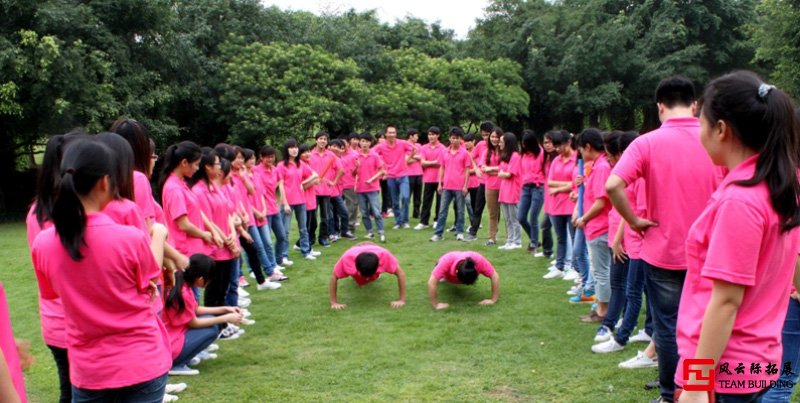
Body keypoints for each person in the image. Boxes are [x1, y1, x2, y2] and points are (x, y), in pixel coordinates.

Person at [674, 72, 800, 402]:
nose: (699, 134)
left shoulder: (741, 200)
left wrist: (698, 384)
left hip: (726, 369)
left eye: (701, 124)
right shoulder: (779, 187)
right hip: (760, 359)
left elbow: (726, 301)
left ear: (721, 129)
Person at [605, 76, 724, 402]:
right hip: (711, 251)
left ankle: (671, 393)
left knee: (668, 329)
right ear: (696, 105)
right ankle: (699, 390)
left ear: (659, 107)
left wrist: (633, 220)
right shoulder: (715, 140)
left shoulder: (646, 143)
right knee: (704, 327)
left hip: (664, 251)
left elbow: (613, 185)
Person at [32, 139, 172, 402]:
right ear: (105, 182)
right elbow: (149, 276)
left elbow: (52, 293)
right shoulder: (129, 238)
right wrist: (160, 234)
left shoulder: (44, 244)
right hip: (141, 360)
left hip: (89, 369)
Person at [163, 254, 243, 376]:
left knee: (211, 321)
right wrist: (226, 318)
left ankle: (186, 357)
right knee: (212, 329)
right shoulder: (183, 291)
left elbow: (195, 309)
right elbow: (194, 322)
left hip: (172, 337)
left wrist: (225, 309)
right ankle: (177, 363)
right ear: (200, 279)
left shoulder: (182, 283)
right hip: (172, 343)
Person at [574, 128, 612, 331]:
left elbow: (600, 202)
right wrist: (585, 182)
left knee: (601, 272)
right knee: (600, 271)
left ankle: (603, 311)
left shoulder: (602, 167)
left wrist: (584, 218)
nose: (580, 153)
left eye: (581, 149)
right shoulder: (598, 167)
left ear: (588, 147)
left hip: (599, 227)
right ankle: (602, 307)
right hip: (597, 227)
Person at [329, 243, 407, 310]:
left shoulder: (385, 256)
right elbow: (333, 276)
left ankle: (372, 276)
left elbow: (401, 274)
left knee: (371, 278)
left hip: (374, 248)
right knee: (358, 278)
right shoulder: (347, 258)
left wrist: (401, 300)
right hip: (355, 249)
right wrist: (334, 303)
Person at [276, 139, 317, 260]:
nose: (294, 150)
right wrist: (286, 203)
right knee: (285, 231)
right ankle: (283, 255)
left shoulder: (301, 164)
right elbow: (281, 185)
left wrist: (303, 182)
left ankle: (306, 251)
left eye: (296, 147)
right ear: (286, 150)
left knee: (303, 228)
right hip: (287, 202)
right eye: (291, 147)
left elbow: (314, 175)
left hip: (301, 201)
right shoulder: (281, 165)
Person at [430, 127, 471, 242]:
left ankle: (459, 232)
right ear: (449, 138)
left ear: (460, 139)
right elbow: (441, 168)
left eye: (457, 138)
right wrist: (439, 183)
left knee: (460, 210)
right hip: (446, 186)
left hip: (459, 186)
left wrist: (465, 186)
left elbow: (467, 170)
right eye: (453, 138)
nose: (455, 140)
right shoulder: (444, 152)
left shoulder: (464, 153)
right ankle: (438, 233)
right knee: (442, 210)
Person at [255, 145, 292, 267]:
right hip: (263, 210)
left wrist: (283, 200)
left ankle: (278, 259)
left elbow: (279, 183)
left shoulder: (275, 169)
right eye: (267, 157)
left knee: (281, 236)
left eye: (272, 157)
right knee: (266, 242)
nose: (270, 160)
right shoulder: (256, 170)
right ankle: (270, 265)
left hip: (274, 207)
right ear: (261, 157)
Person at [427, 251, 500, 309]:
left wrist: (493, 300)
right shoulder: (446, 261)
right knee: (439, 269)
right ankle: (439, 267)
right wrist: (436, 305)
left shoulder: (478, 260)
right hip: (448, 261)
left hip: (459, 259)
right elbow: (431, 283)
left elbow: (495, 276)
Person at [517, 130, 546, 252]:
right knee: (521, 217)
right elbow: (521, 171)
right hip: (526, 187)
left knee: (533, 216)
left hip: (537, 187)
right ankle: (534, 239)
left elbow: (544, 170)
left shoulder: (541, 153)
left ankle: (533, 243)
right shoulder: (523, 154)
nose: (524, 146)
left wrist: (538, 180)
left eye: (526, 144)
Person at [355, 132, 387, 243]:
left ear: (370, 143)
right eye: (362, 141)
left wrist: (372, 179)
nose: (364, 144)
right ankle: (370, 232)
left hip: (373, 188)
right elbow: (353, 173)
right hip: (360, 188)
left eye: (367, 141)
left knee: (376, 212)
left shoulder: (374, 155)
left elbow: (382, 170)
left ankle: (381, 231)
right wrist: (356, 167)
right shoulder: (356, 156)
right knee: (364, 213)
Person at [497, 131, 523, 250]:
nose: (500, 144)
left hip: (513, 190)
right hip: (504, 190)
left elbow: (509, 174)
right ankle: (509, 240)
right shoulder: (504, 156)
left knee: (514, 218)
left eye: (502, 142)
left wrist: (502, 174)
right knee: (507, 218)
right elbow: (502, 172)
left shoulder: (515, 156)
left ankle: (517, 241)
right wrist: (502, 173)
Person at [416, 126, 445, 230]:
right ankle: (424, 221)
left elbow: (440, 163)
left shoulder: (442, 148)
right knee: (426, 201)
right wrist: (433, 162)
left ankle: (437, 220)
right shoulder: (424, 147)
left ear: (438, 135)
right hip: (428, 178)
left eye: (433, 134)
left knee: (439, 201)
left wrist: (429, 162)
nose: (431, 136)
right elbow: (422, 163)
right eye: (429, 134)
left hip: (439, 179)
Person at [481, 127, 503, 246]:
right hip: (490, 186)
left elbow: (507, 168)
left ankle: (511, 238)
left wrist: (491, 169)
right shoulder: (486, 152)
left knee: (508, 213)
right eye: (492, 137)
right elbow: (483, 168)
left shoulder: (505, 151)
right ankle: (492, 238)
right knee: (492, 213)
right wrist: (496, 171)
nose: (494, 139)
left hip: (504, 185)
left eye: (496, 137)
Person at [405, 128, 424, 220]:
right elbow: (405, 161)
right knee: (407, 195)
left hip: (419, 173)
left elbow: (422, 157)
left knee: (418, 195)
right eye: (416, 136)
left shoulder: (419, 145)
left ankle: (416, 213)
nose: (417, 137)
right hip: (409, 174)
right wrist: (416, 157)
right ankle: (405, 213)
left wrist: (412, 156)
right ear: (410, 136)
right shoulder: (404, 145)